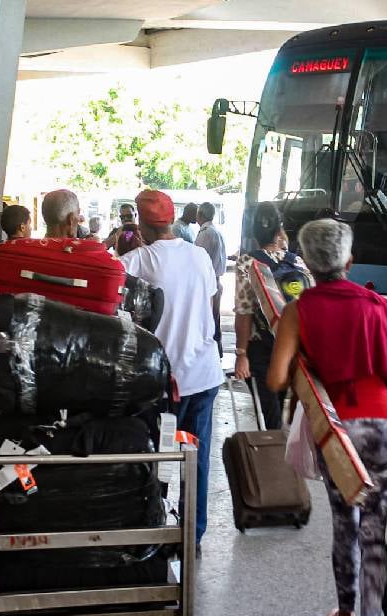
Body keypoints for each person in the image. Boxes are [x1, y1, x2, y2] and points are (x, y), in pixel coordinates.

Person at [265, 219, 387, 616]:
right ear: (350, 260)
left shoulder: (299, 310)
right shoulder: (383, 308)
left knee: (344, 521)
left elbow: (276, 380)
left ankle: (345, 615)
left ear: (308, 263)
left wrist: (304, 359)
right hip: (386, 427)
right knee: (374, 526)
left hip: (338, 430)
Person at [119, 189, 224, 548]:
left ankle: (157, 531)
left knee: (158, 455)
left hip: (164, 382)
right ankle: (192, 536)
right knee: (195, 456)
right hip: (204, 374)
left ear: (142, 222)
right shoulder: (199, 256)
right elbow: (211, 305)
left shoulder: (137, 261)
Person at [232, 201, 310, 430]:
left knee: (268, 413)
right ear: (279, 231)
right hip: (292, 347)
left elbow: (244, 311)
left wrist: (241, 354)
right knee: (281, 406)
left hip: (262, 349)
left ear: (253, 233)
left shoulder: (247, 262)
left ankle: (274, 456)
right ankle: (284, 454)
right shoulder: (297, 262)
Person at [194, 201, 227, 356]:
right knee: (214, 319)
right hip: (216, 280)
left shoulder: (206, 233)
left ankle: (211, 355)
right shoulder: (216, 231)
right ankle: (217, 352)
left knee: (208, 321)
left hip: (209, 283)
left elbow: (198, 260)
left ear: (200, 215)